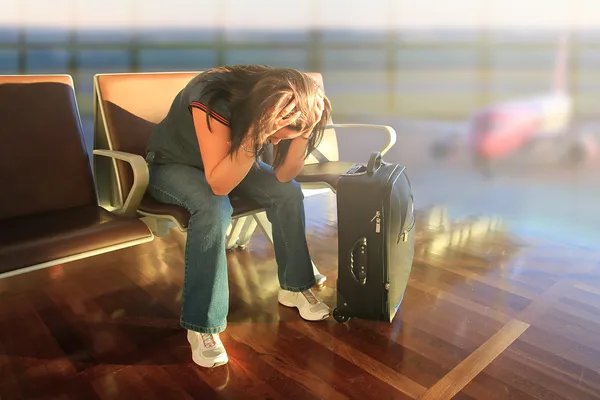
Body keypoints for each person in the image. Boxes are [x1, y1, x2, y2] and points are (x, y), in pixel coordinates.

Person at [145, 65, 333, 368]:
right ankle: (202, 325)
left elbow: (284, 177)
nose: (274, 143)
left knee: (287, 193)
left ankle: (296, 287)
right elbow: (219, 185)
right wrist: (257, 131)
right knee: (213, 206)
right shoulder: (212, 96)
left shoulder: (277, 101)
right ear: (265, 114)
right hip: (172, 164)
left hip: (226, 161)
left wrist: (305, 131)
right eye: (277, 134)